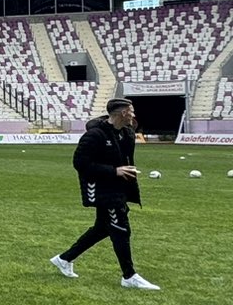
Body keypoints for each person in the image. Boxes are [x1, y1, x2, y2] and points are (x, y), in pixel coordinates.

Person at [51, 97, 159, 289]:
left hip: (118, 188)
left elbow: (125, 159)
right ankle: (129, 276)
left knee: (102, 228)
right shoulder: (95, 135)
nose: (134, 115)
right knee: (121, 228)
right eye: (131, 111)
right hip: (102, 189)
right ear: (122, 113)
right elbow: (80, 163)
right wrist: (113, 171)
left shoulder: (126, 134)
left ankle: (64, 259)